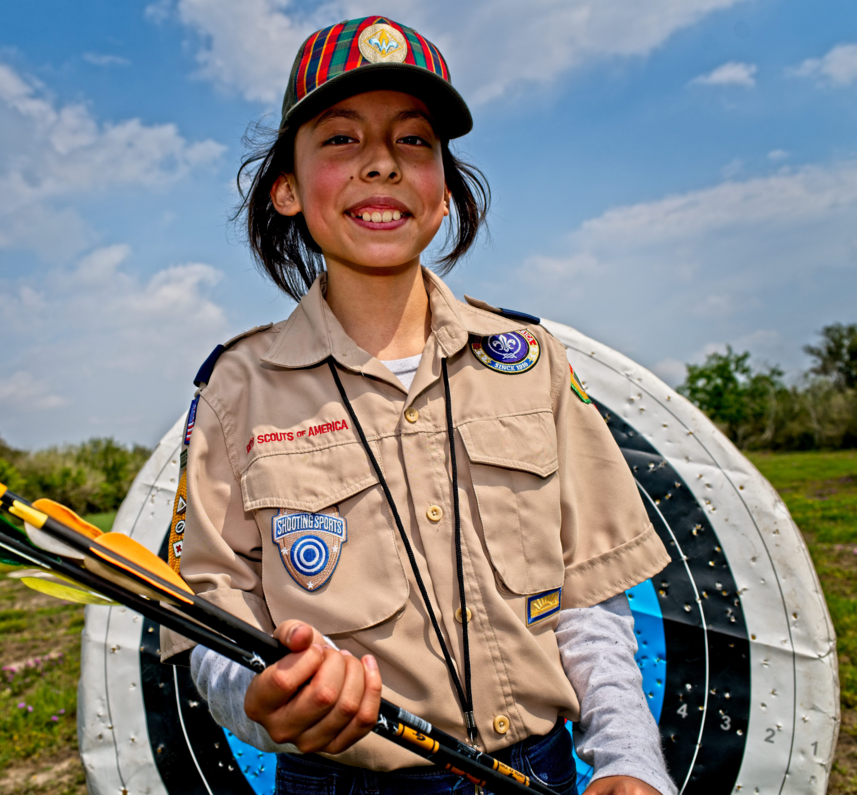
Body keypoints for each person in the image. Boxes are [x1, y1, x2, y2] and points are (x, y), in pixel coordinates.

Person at [160, 16, 677, 795]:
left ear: (442, 193)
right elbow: (209, 624)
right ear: (288, 189)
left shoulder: (531, 362)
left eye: (414, 141)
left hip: (541, 772)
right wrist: (263, 703)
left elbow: (591, 598)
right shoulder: (237, 389)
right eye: (340, 139)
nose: (381, 164)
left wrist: (630, 758)